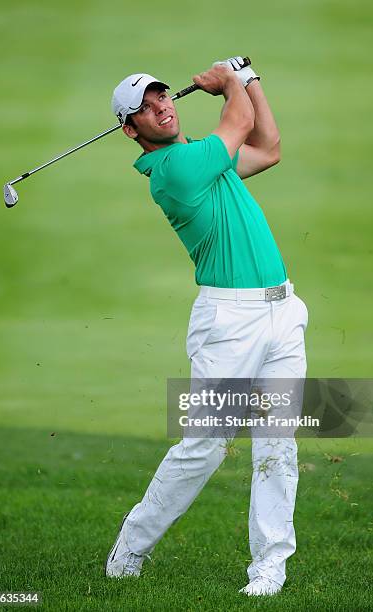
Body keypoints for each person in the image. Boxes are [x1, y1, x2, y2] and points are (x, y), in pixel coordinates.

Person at [105, 57, 308, 597]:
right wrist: (230, 82)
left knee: (277, 442)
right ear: (131, 131)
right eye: (146, 109)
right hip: (230, 322)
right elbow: (238, 123)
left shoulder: (203, 159)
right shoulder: (174, 170)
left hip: (283, 312)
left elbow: (268, 147)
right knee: (205, 444)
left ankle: (270, 568)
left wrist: (250, 81)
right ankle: (130, 548)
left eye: (164, 98)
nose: (162, 108)